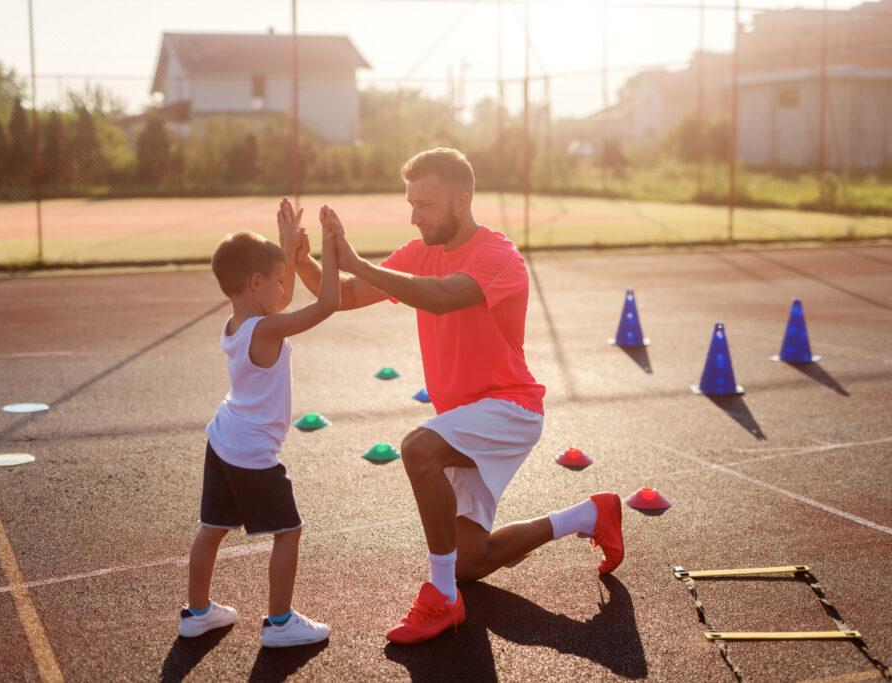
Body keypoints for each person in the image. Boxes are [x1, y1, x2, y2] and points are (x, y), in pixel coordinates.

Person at [295, 148, 624, 644]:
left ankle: (443, 598)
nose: (415, 216)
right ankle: (589, 514)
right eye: (411, 204)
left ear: (461, 200)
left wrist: (360, 262)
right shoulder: (418, 251)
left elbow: (444, 296)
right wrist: (303, 261)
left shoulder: (499, 255)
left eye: (425, 205)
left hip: (510, 407)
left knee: (417, 448)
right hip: (464, 416)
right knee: (470, 561)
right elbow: (344, 295)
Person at [179, 199, 339, 648]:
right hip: (251, 452)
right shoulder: (265, 330)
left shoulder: (238, 323)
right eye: (279, 279)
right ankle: (280, 623)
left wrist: (287, 249)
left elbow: (278, 300)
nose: (284, 289)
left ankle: (197, 613)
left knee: (212, 528)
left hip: (222, 439)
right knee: (289, 531)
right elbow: (328, 303)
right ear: (255, 282)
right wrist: (329, 248)